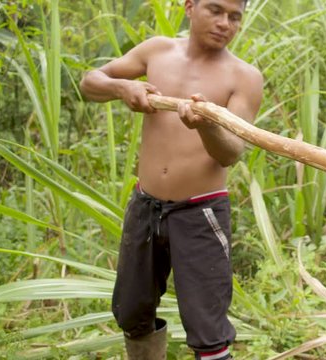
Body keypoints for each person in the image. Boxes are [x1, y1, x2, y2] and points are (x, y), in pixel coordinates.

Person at [79, 0, 263, 359]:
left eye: (235, 17)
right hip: (145, 206)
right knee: (132, 311)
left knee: (207, 327)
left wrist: (207, 125)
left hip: (200, 213)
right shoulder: (157, 51)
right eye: (215, 10)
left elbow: (230, 153)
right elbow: (90, 82)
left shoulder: (244, 77)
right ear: (189, 7)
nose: (225, 23)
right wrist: (123, 89)